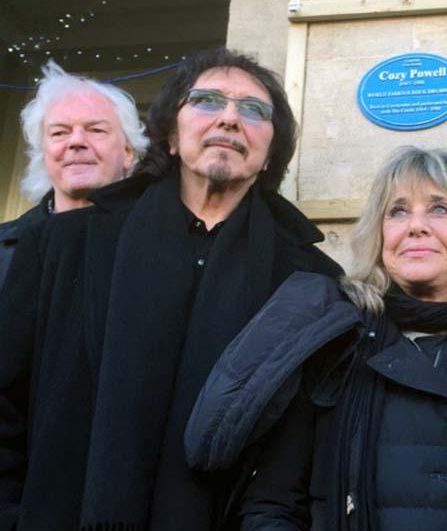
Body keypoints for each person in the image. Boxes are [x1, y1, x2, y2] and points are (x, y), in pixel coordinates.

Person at [0, 48, 342, 530]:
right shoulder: (64, 244)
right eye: (207, 101)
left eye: (253, 110)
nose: (229, 118)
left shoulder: (309, 281)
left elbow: (303, 449)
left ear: (271, 154)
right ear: (171, 136)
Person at [184, 146, 447, 530]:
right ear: (380, 236)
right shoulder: (333, 343)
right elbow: (273, 505)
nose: (415, 226)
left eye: (440, 208)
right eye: (397, 212)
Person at [0, 61, 147, 288]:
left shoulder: (161, 243)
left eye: (96, 130)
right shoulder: (4, 246)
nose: (76, 141)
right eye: (59, 132)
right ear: (43, 152)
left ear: (128, 152)